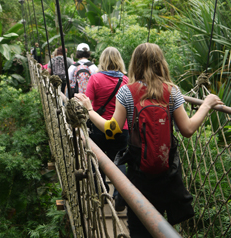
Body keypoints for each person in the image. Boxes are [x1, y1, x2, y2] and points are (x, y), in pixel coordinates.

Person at [75, 43, 223, 238]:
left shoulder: (127, 92)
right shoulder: (172, 91)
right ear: (161, 63)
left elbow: (112, 130)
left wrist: (89, 110)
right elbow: (187, 129)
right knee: (164, 228)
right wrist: (206, 105)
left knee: (138, 227)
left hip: (139, 172)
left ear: (134, 64)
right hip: (167, 171)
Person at [85, 47, 129, 211]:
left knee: (98, 160)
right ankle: (120, 194)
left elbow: (87, 103)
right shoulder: (127, 81)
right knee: (120, 160)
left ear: (102, 61)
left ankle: (101, 192)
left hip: (100, 127)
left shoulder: (95, 79)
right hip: (121, 128)